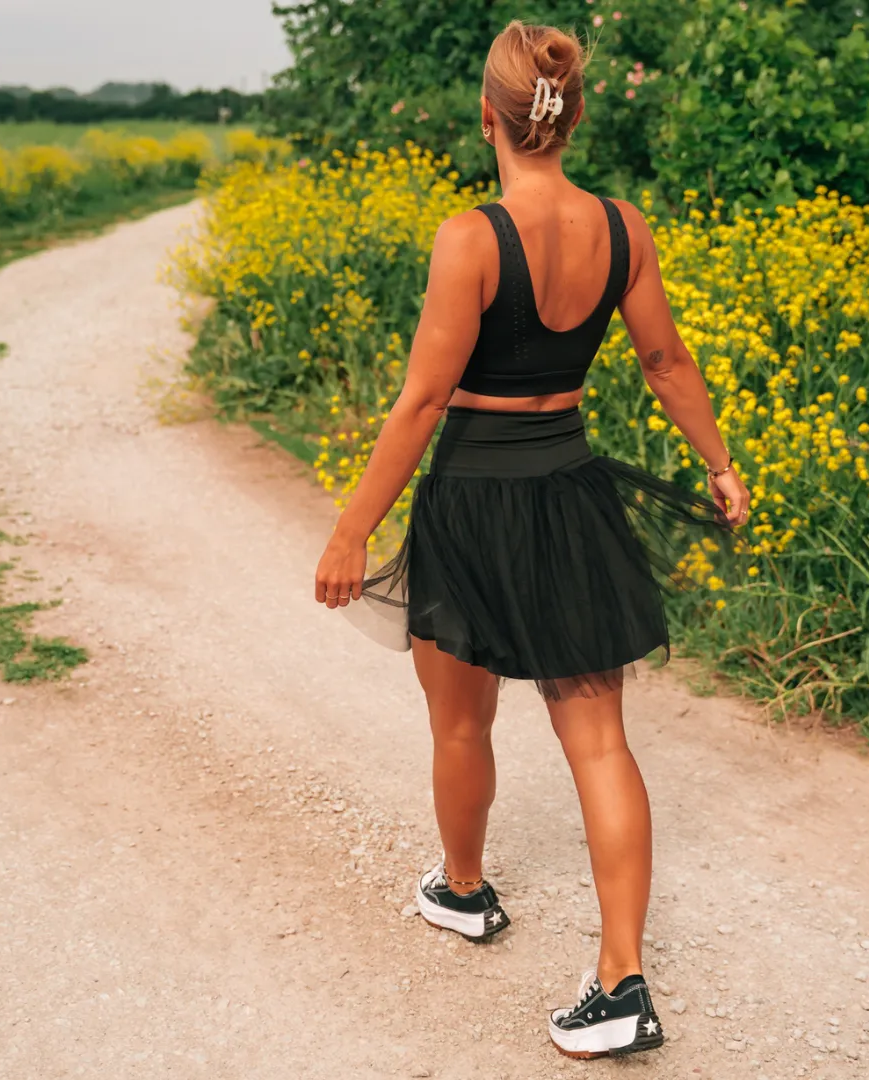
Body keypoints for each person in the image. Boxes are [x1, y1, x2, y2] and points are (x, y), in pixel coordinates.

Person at [314, 19, 750, 1061]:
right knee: (599, 738)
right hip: (570, 491)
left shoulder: (471, 236)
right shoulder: (624, 227)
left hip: (470, 500)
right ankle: (622, 979)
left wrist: (349, 529)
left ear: (487, 118)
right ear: (575, 115)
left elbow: (424, 401)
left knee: (461, 725)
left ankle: (464, 892)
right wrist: (721, 463)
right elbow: (666, 359)